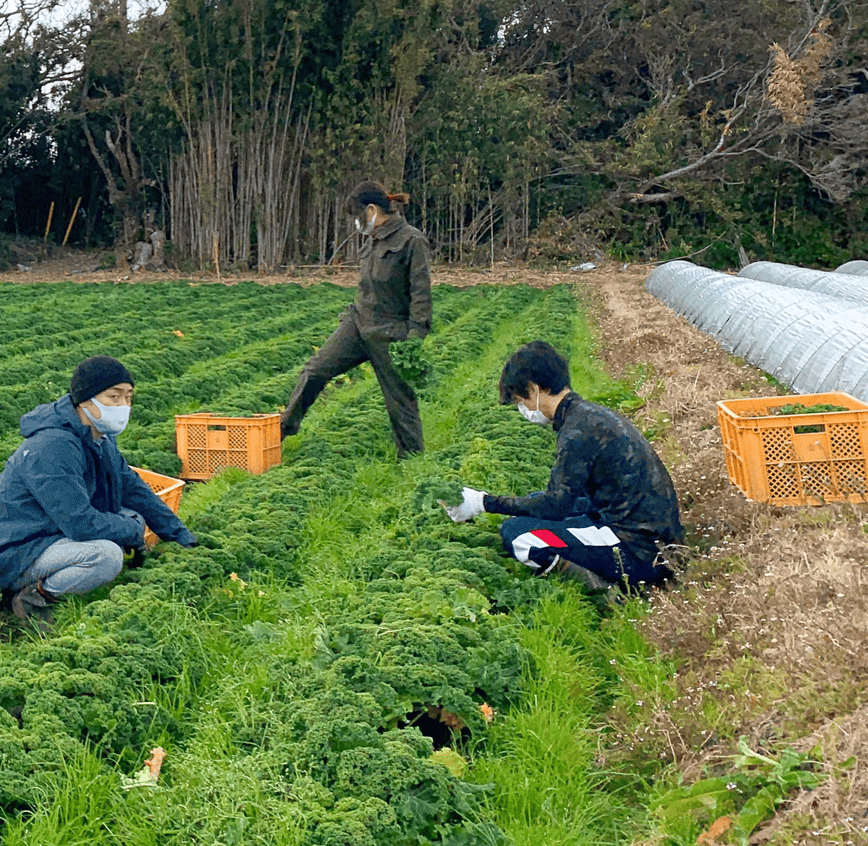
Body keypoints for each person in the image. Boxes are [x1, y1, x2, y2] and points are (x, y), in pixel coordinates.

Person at [440, 340, 683, 591]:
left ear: (534, 390)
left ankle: (606, 590)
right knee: (531, 504)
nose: (524, 409)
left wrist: (483, 503)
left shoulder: (576, 434)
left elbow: (555, 506)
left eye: (521, 401)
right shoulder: (590, 414)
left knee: (517, 534)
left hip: (640, 552)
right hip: (652, 533)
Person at [0, 355, 199, 629]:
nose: (123, 406)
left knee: (131, 515)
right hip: (23, 550)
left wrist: (182, 538)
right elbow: (80, 524)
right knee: (106, 556)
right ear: (85, 400)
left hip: (55, 533)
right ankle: (33, 599)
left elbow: (133, 489)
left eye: (128, 397)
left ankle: (57, 582)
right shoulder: (53, 446)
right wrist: (131, 530)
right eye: (114, 397)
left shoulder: (99, 437)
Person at [280, 181, 432, 458]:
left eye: (357, 216)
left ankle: (412, 459)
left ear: (371, 210)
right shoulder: (373, 238)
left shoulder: (412, 241)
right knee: (315, 370)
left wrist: (415, 337)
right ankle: (281, 430)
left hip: (390, 332)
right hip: (358, 324)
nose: (357, 223)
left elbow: (421, 294)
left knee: (399, 400)